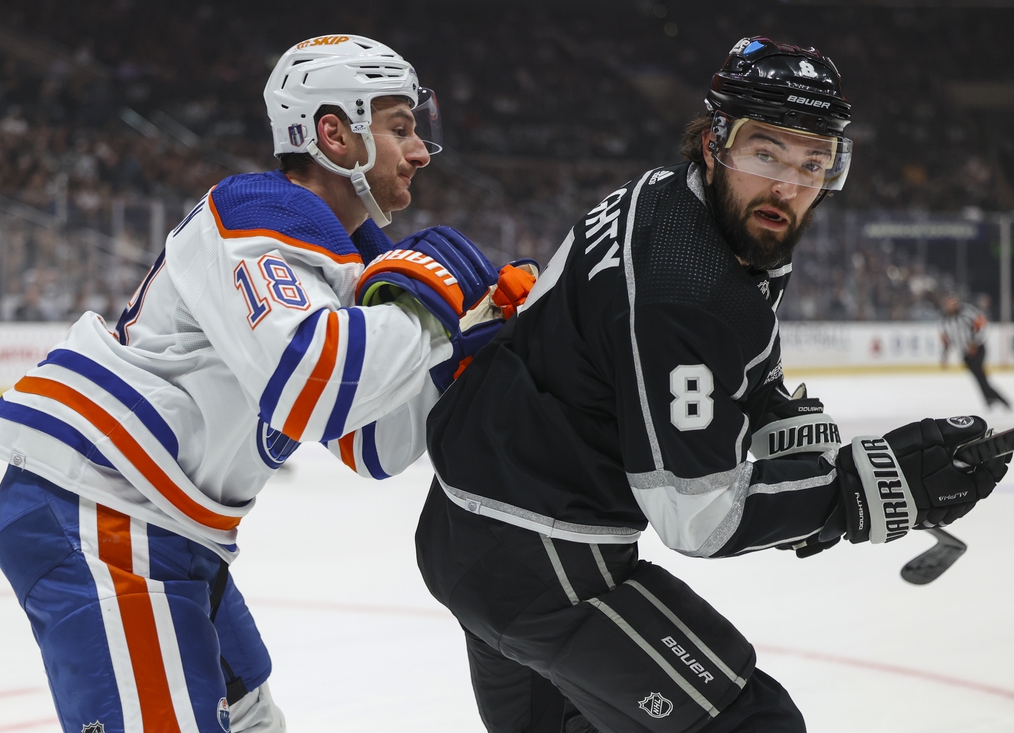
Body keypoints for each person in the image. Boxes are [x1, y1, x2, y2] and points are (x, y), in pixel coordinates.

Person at [415, 37, 1010, 733]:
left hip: (470, 527)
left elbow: (696, 362)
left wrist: (774, 415)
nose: (788, 185)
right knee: (754, 722)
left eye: (813, 162)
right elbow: (698, 516)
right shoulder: (689, 288)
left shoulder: (671, 197)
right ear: (714, 142)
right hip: (542, 562)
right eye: (766, 153)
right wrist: (858, 490)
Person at [0, 35, 532, 733]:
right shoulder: (258, 210)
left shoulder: (354, 259)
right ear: (334, 133)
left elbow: (373, 445)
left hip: (171, 529)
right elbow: (309, 385)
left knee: (252, 719)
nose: (420, 151)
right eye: (400, 128)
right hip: (98, 511)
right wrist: (428, 312)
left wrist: (460, 344)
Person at [940, 292, 1010, 409]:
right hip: (965, 352)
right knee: (979, 377)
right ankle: (991, 399)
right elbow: (947, 339)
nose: (950, 305)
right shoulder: (945, 320)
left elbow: (982, 325)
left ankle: (999, 400)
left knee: (980, 375)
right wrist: (944, 356)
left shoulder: (967, 312)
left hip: (978, 349)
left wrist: (974, 343)